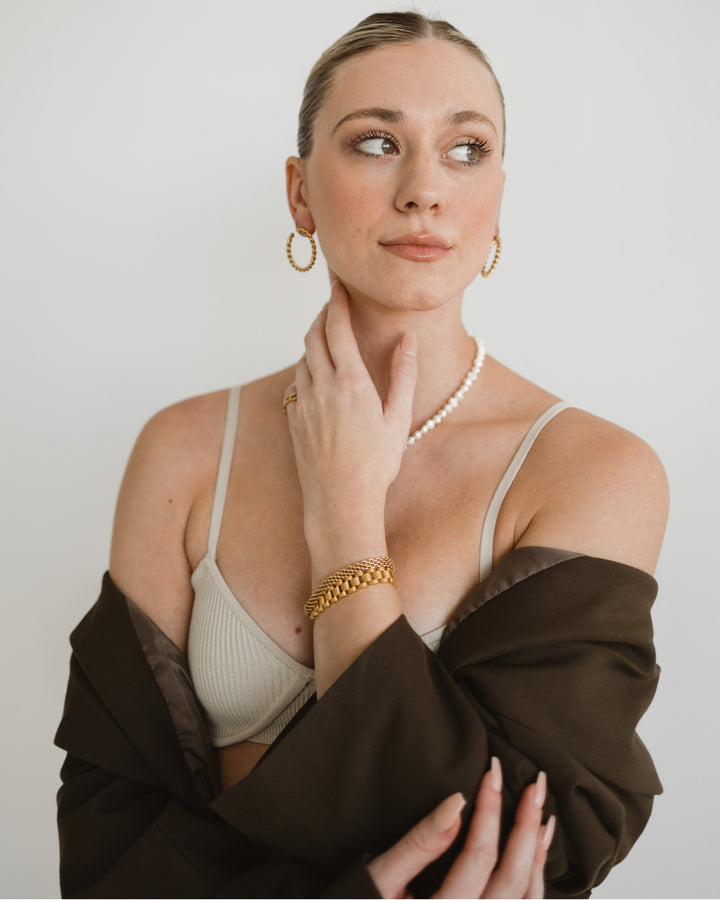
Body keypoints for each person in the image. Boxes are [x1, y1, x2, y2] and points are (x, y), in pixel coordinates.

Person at [55, 11, 667, 898]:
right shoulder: (183, 451)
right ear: (300, 192)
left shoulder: (594, 470)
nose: (424, 190)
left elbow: (546, 841)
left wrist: (344, 517)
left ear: (499, 194)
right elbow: (106, 836)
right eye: (377, 142)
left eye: (466, 149)